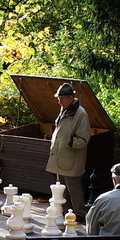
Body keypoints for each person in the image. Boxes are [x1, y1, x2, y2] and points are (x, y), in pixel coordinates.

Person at [47, 82, 92, 218]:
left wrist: (68, 143)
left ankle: (79, 213)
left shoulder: (80, 114)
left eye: (61, 98)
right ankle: (66, 211)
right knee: (62, 189)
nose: (59, 101)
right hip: (61, 156)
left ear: (70, 98)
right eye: (58, 98)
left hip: (71, 158)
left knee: (74, 189)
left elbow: (83, 140)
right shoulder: (65, 110)